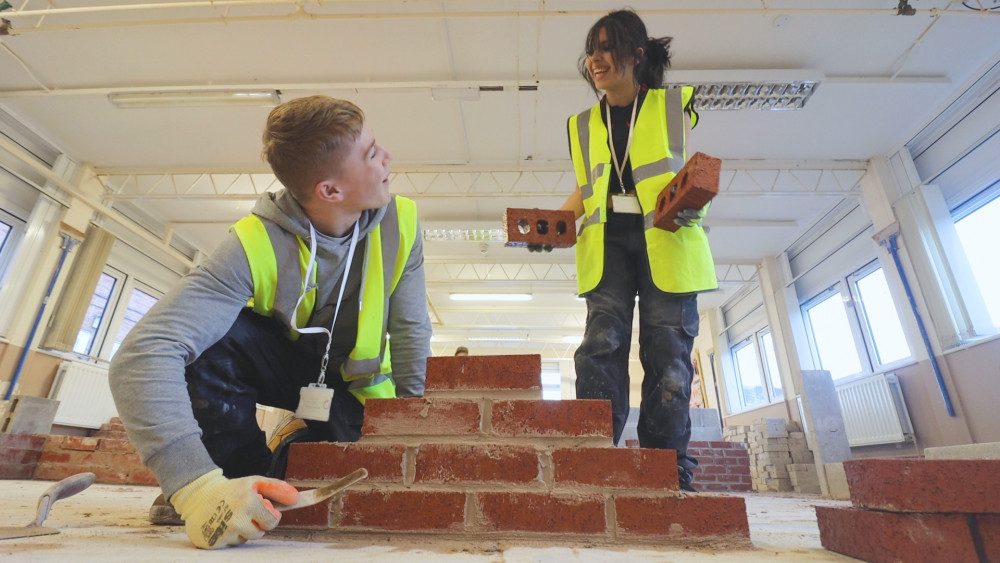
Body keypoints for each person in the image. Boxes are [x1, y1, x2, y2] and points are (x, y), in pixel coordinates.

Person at [108, 95, 432, 549]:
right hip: (282, 366)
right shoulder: (252, 242)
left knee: (351, 487)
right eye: (372, 153)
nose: (388, 158)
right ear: (330, 191)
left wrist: (417, 428)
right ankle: (232, 482)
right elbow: (142, 354)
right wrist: (193, 484)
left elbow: (410, 332)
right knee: (210, 344)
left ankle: (293, 442)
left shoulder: (402, 224)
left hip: (352, 387)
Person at [554, 9, 717, 492]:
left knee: (668, 352)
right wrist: (554, 226)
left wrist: (694, 204)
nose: (595, 60)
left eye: (607, 48)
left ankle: (667, 469)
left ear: (636, 55)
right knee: (600, 348)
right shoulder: (584, 123)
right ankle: (595, 461)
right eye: (591, 50)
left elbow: (677, 172)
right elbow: (589, 188)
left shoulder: (668, 106)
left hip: (665, 238)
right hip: (608, 245)